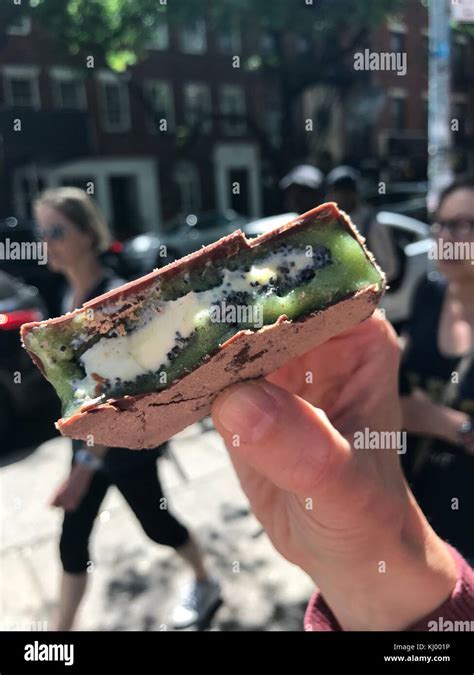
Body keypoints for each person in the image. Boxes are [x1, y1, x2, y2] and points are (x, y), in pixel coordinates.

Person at [210, 312, 474, 631]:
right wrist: (351, 575)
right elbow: (403, 394)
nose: (450, 258)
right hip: (415, 482)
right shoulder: (428, 293)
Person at [34, 187, 221, 630]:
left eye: (56, 231)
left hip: (124, 444)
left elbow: (116, 397)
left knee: (157, 524)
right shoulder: (63, 296)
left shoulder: (112, 299)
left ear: (86, 234)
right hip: (88, 444)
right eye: (42, 232)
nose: (47, 242)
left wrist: (83, 469)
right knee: (72, 540)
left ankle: (206, 582)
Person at [400, 178, 474, 564]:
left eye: (464, 225)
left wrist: (447, 424)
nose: (447, 237)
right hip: (409, 504)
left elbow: (421, 412)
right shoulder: (428, 292)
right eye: (441, 224)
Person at [325, 165, 399, 283]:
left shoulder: (373, 224)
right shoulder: (331, 224)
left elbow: (389, 269)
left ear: (353, 193)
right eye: (334, 193)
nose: (336, 198)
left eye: (342, 193)